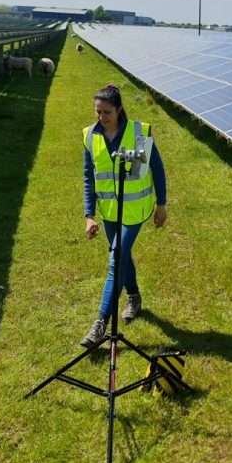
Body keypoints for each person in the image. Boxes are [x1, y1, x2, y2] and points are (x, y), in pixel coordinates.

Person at [80, 84, 168, 348]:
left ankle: (100, 324)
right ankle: (134, 297)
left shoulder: (139, 133)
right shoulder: (90, 136)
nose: (101, 117)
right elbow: (88, 177)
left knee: (115, 257)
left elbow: (157, 168)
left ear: (119, 109)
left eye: (106, 112)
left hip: (133, 211)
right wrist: (89, 215)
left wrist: (161, 204)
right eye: (98, 111)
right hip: (108, 212)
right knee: (122, 256)